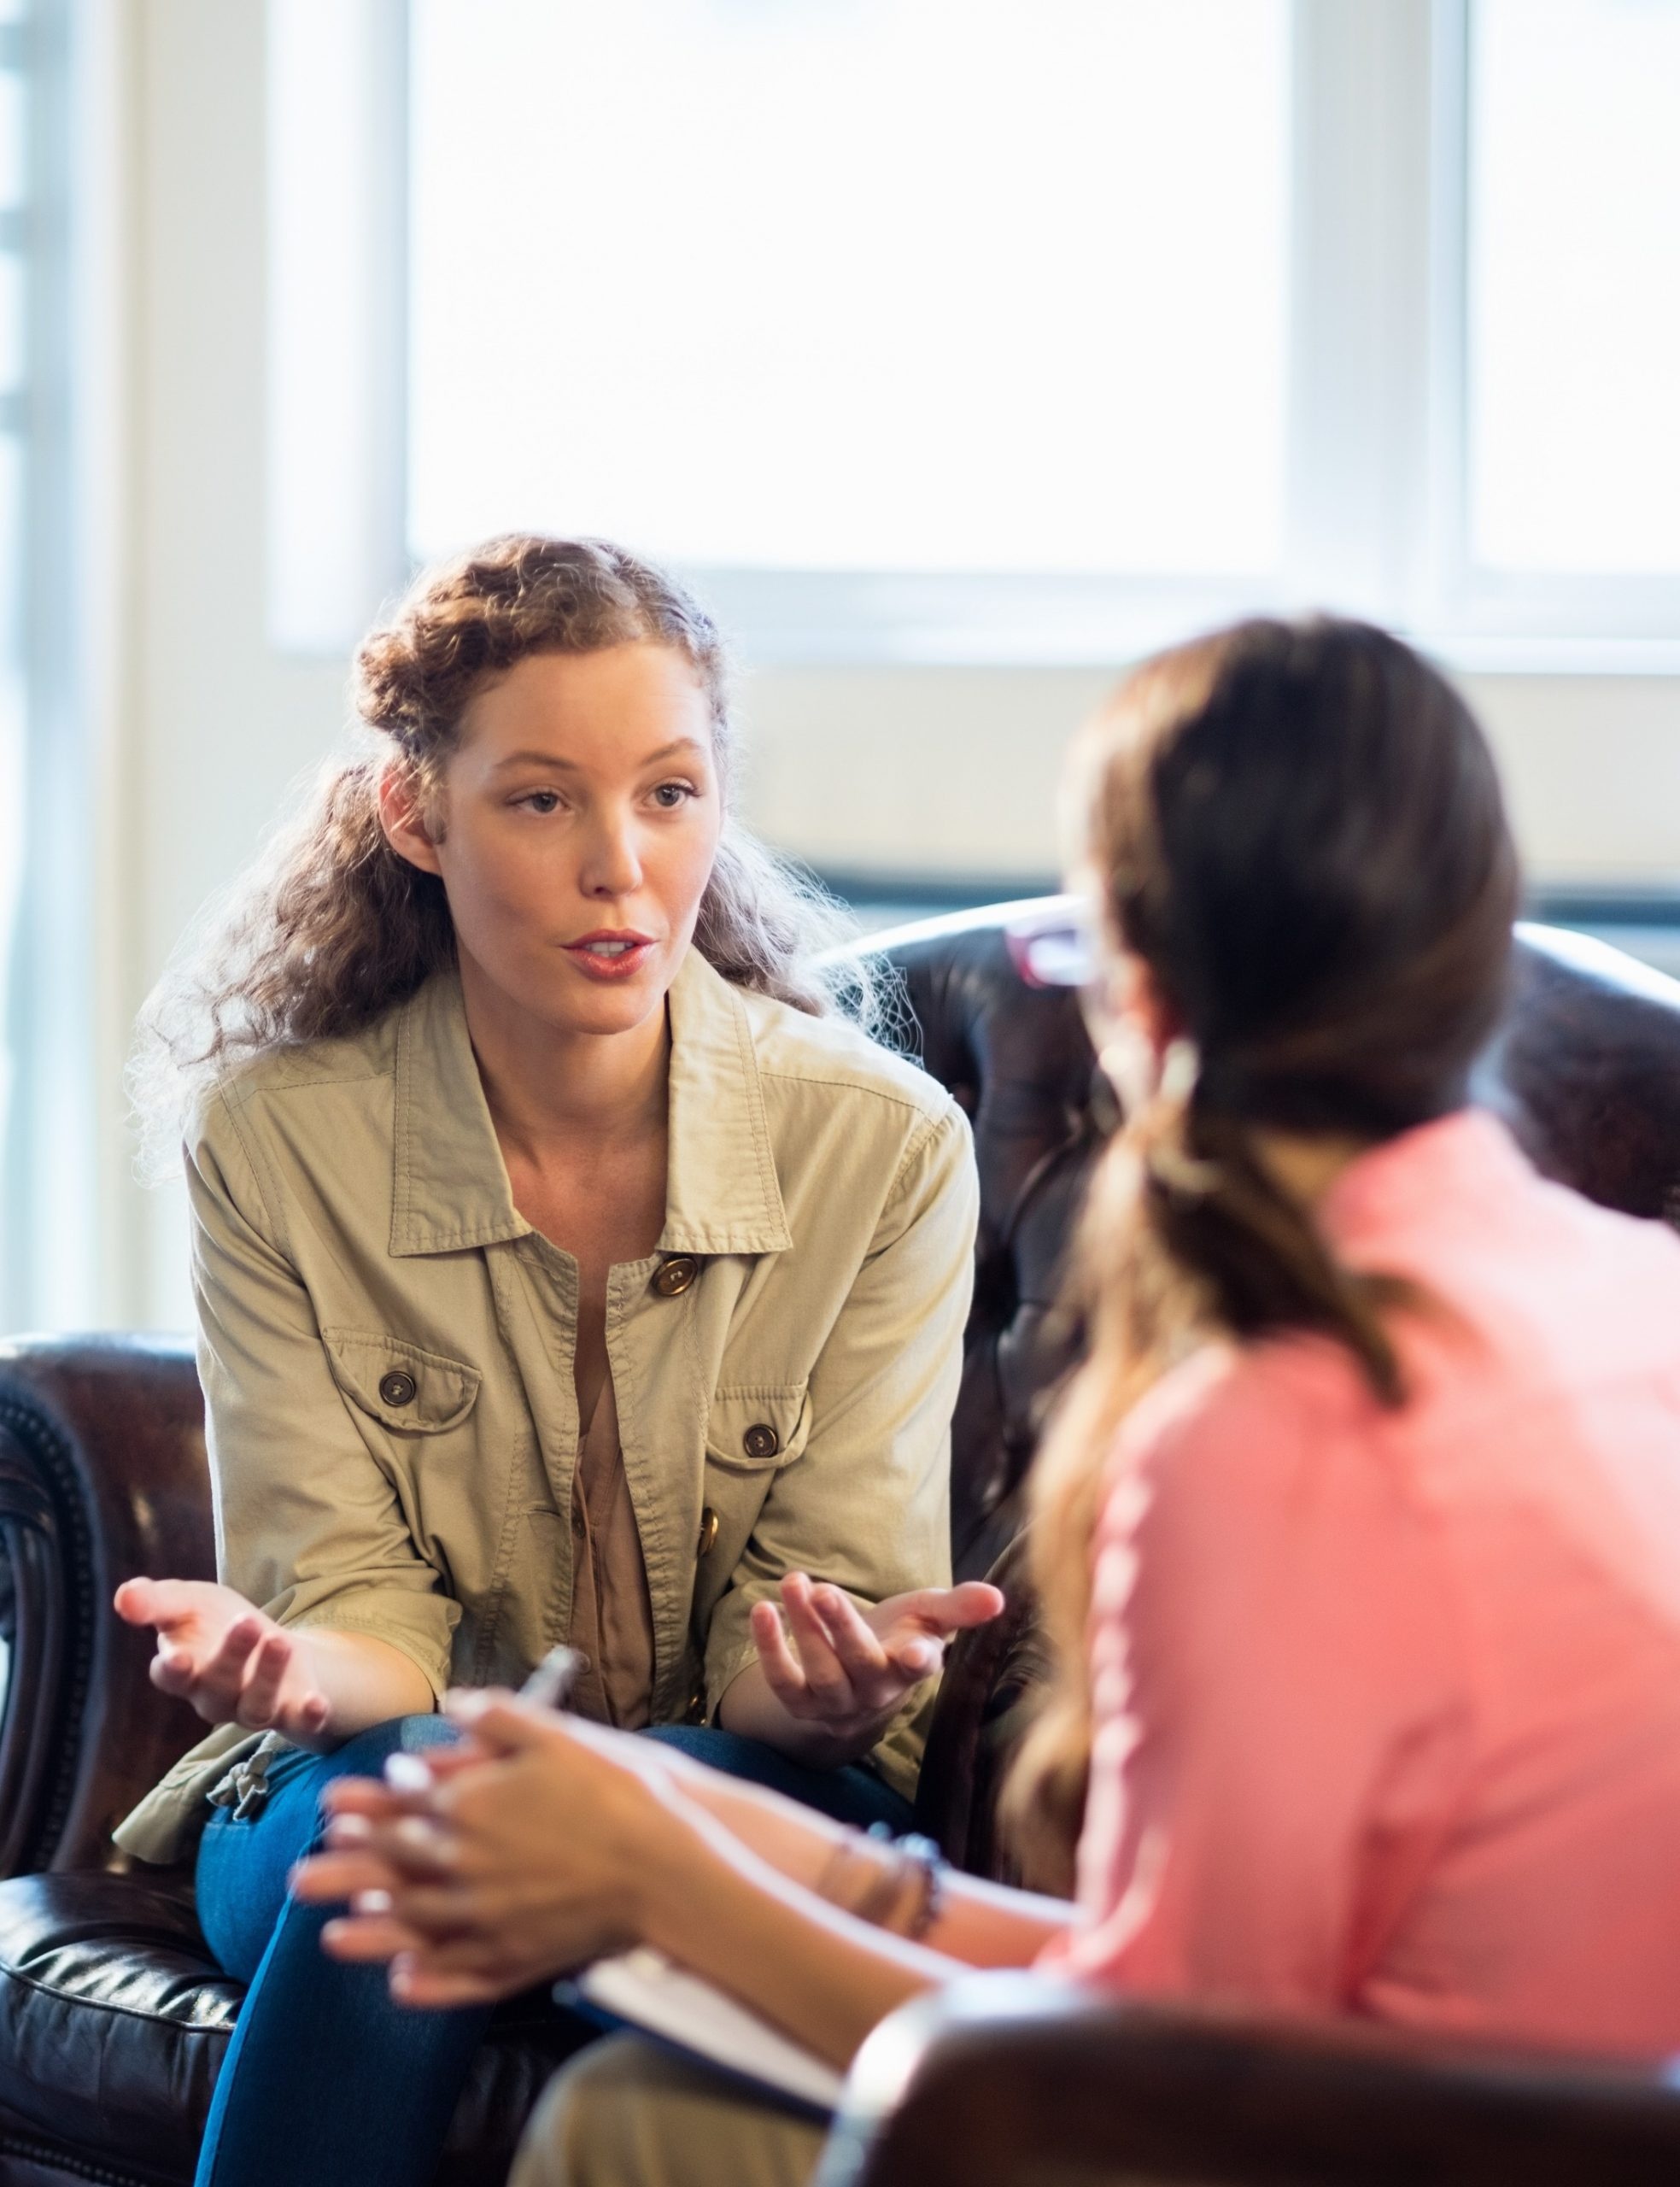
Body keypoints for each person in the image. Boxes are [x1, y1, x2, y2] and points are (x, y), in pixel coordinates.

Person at [299, 614, 1680, 2187]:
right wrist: (680, 1826)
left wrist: (663, 1886)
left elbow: (1155, 2077)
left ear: (1138, 994)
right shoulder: (1639, 1296)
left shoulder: (1273, 1432)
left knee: (624, 2127)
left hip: (1352, 2139)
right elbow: (1180, 1982)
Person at [113, 536, 998, 2187]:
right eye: (540, 801)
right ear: (416, 815)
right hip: (358, 1772)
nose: (622, 868)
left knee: (582, 1830)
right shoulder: (277, 1142)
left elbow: (810, 1639)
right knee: (428, 1810)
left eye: (669, 794)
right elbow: (356, 1609)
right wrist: (302, 1678)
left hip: (741, 1772)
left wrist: (821, 1681)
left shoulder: (881, 1149)